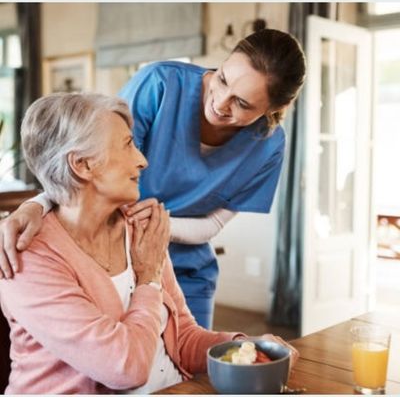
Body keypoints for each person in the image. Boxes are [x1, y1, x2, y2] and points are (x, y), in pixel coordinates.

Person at [0, 28, 306, 329]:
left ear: (274, 109)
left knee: (191, 371)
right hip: (111, 259)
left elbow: (212, 225)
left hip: (186, 271)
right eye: (222, 78)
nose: (220, 102)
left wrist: (158, 226)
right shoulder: (160, 84)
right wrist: (37, 205)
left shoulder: (268, 147)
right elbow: (89, 160)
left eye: (242, 103)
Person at [0, 93, 298, 394]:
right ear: (82, 165)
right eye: (128, 144)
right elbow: (125, 368)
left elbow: (182, 340)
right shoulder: (27, 257)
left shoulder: (140, 229)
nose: (142, 161)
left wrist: (244, 347)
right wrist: (149, 279)